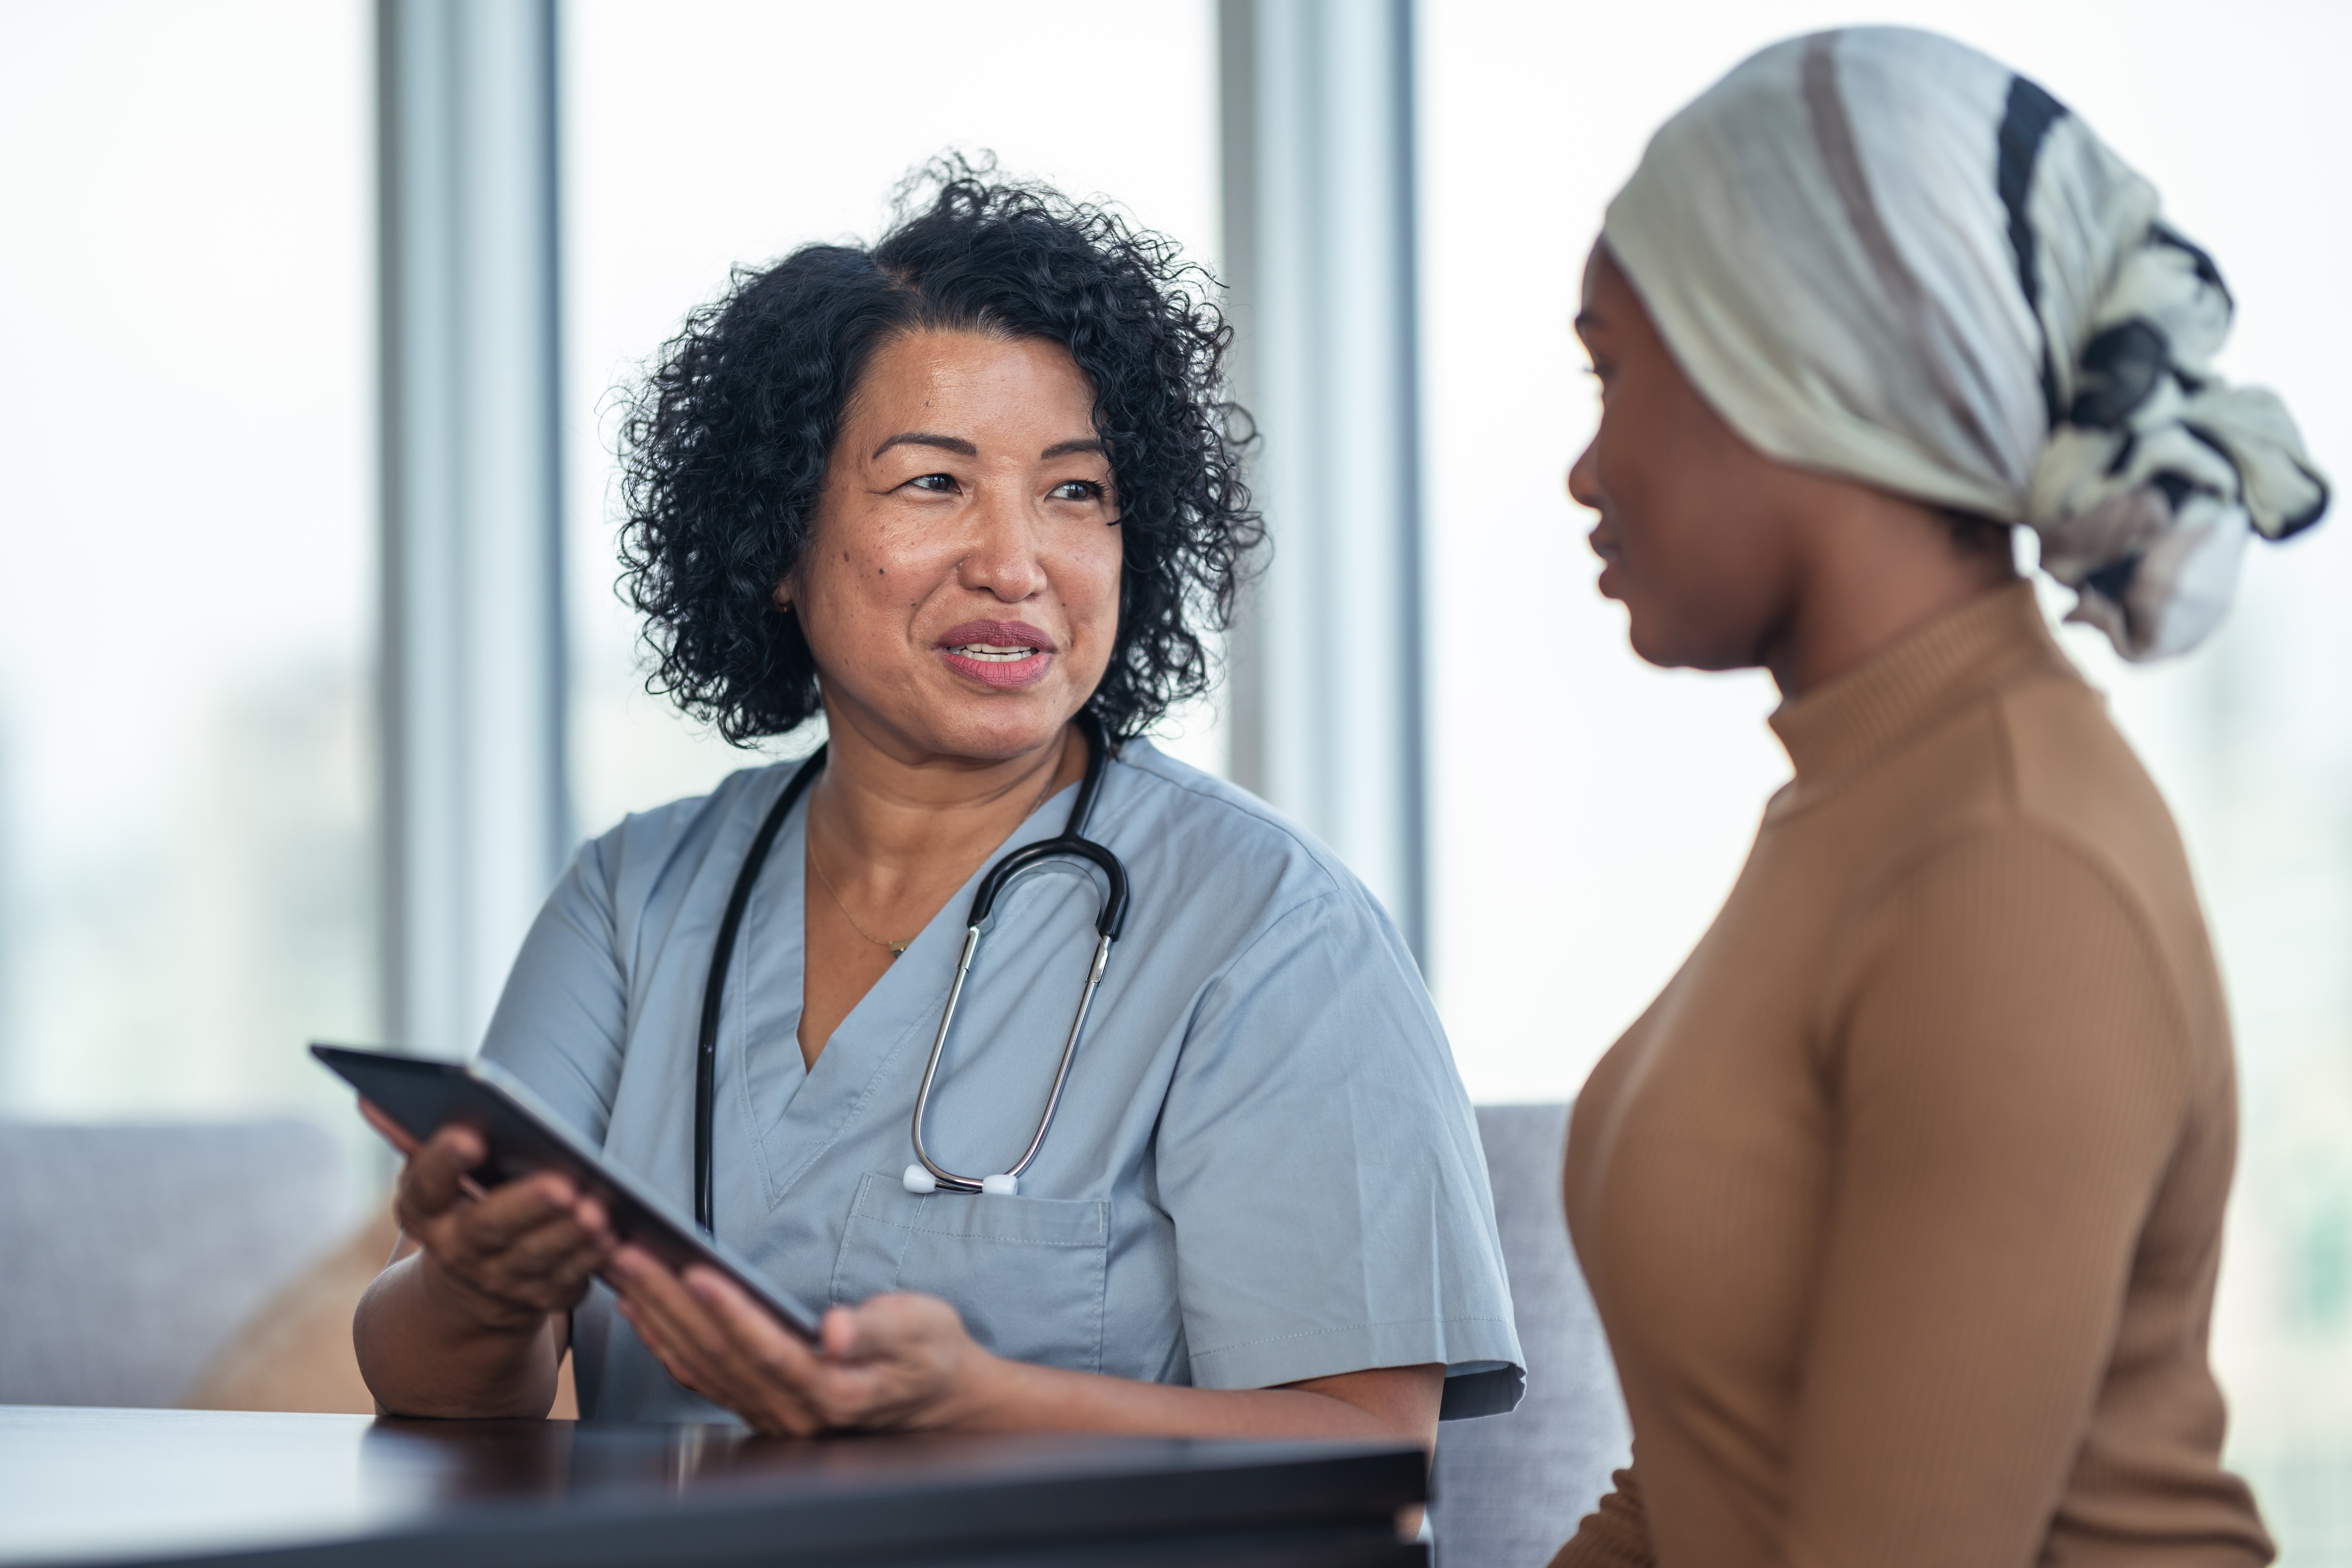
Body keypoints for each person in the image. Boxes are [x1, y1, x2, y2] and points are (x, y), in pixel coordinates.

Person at [352, 165, 1521, 1452]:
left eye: (1075, 492)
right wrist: (476, 1286)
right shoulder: (634, 900)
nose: (1015, 565)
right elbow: (444, 1391)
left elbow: (1372, 1446)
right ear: (777, 540)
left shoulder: (1272, 927)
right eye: (932, 484)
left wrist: (981, 1410)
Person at [1553, 29, 2322, 1568]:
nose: (1586, 468)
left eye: (1612, 371)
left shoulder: (2010, 862)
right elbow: (1708, 1477)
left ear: (1795, 368)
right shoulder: (1864, 798)